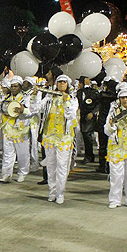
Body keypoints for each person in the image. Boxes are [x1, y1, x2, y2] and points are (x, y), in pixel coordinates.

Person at [38, 75, 78, 204]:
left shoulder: (72, 99)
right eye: (59, 82)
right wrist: (34, 97)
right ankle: (52, 191)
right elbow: (36, 109)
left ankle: (60, 193)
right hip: (49, 137)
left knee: (62, 166)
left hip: (64, 138)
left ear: (68, 85)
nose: (61, 84)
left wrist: (66, 101)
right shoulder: (49, 98)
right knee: (51, 166)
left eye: (64, 82)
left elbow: (70, 115)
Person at [0, 77, 34, 183]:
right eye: (12, 86)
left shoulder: (25, 98)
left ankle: (22, 172)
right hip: (8, 128)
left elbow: (32, 111)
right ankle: (6, 174)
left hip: (21, 129)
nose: (13, 88)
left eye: (16, 86)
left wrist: (23, 110)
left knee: (22, 153)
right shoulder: (6, 98)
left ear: (20, 87)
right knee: (8, 153)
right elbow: (0, 109)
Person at [77, 76, 100, 164]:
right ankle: (89, 155)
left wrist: (93, 113)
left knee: (87, 135)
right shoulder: (79, 92)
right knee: (85, 135)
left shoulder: (93, 92)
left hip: (90, 116)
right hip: (82, 116)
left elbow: (98, 104)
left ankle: (89, 156)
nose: (79, 84)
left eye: (80, 82)